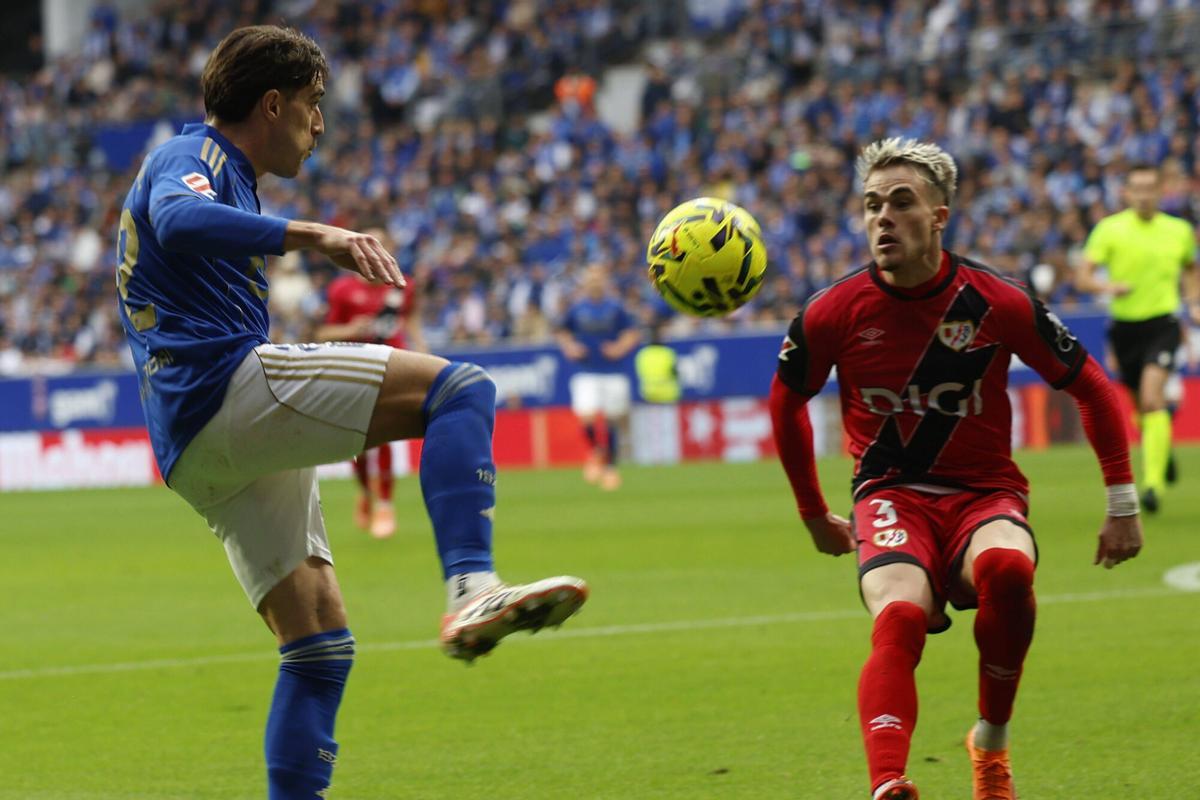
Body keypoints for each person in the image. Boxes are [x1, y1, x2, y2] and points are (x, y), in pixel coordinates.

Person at [115, 26, 588, 799]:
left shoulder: (230, 177)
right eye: (313, 104)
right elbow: (176, 219)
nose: (321, 124)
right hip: (220, 390)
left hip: (194, 446)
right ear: (272, 104)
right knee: (460, 390)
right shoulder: (190, 156)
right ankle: (472, 586)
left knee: (319, 646)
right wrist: (314, 234)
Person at [768, 138, 1143, 800]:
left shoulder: (996, 300)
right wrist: (810, 513)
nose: (882, 217)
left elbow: (1093, 388)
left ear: (940, 217)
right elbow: (785, 402)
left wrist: (1122, 505)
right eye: (871, 205)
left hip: (983, 493)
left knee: (1007, 567)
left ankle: (990, 745)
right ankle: (887, 783)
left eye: (901, 202)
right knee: (900, 616)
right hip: (889, 495)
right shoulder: (834, 310)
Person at [1077, 163, 1200, 512]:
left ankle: (1152, 487)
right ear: (1126, 193)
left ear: (1161, 191)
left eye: (1151, 188)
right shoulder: (1109, 230)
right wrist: (1107, 286)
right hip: (1125, 329)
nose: (1144, 195)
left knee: (1151, 397)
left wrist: (1192, 302)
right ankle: (1163, 455)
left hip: (1163, 323)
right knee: (1143, 409)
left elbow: (1191, 269)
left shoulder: (1178, 231)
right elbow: (1083, 277)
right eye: (1137, 188)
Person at [316, 227, 426, 539]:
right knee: (360, 442)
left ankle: (386, 505)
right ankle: (366, 493)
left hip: (393, 366)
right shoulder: (342, 289)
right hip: (354, 367)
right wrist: (351, 328)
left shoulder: (403, 286)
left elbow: (412, 319)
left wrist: (424, 349)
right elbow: (324, 333)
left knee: (388, 435)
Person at [556, 264, 641, 490]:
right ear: (585, 282)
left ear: (604, 280)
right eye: (591, 278)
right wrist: (570, 347)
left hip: (613, 371)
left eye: (598, 277)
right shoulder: (577, 308)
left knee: (612, 419)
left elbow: (632, 333)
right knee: (587, 415)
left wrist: (619, 348)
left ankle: (610, 467)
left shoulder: (615, 307)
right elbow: (563, 332)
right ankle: (597, 452)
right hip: (587, 371)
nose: (594, 282)